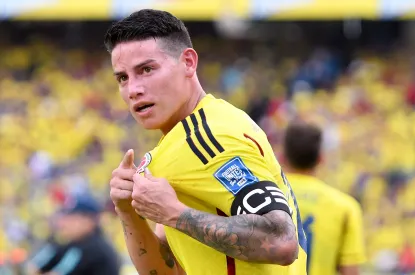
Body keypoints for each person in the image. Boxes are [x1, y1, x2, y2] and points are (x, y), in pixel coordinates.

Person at [105, 9, 307, 275]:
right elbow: (167, 271)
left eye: (147, 69)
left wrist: (174, 213)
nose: (133, 90)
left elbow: (281, 241)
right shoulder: (180, 142)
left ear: (188, 62)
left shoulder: (211, 137)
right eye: (123, 77)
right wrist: (129, 214)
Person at [282, 121, 366, 275]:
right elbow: (350, 271)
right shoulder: (345, 207)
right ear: (321, 158)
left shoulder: (264, 197)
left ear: (282, 157)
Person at [27, 192, 121, 275]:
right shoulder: (75, 244)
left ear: (88, 220)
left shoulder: (92, 248)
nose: (63, 223)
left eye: (71, 217)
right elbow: (33, 268)